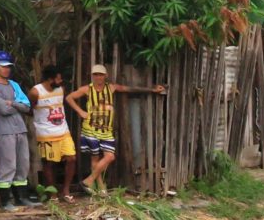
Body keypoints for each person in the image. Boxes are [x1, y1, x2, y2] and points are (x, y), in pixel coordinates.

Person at [66, 63, 165, 195]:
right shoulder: (86, 89)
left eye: (100, 75)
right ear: (92, 76)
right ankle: (101, 189)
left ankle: (88, 181)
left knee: (109, 156)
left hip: (106, 130)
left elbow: (128, 89)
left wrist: (152, 89)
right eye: (95, 74)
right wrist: (80, 111)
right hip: (90, 129)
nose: (98, 77)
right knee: (95, 158)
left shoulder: (111, 88)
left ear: (105, 76)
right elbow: (69, 98)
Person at [0, 50, 38, 210]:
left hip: (20, 129)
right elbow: (3, 109)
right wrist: (16, 105)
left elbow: (27, 106)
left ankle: (21, 197)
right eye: (2, 66)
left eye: (8, 66)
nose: (6, 69)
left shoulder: (14, 85)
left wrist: (13, 103)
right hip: (5, 130)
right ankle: (5, 201)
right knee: (8, 165)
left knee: (23, 164)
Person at [31, 66, 76, 197]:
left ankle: (66, 190)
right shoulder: (35, 92)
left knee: (71, 158)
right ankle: (53, 193)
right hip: (46, 134)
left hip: (63, 131)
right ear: (50, 79)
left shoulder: (61, 89)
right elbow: (29, 110)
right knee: (49, 163)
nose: (61, 80)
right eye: (58, 78)